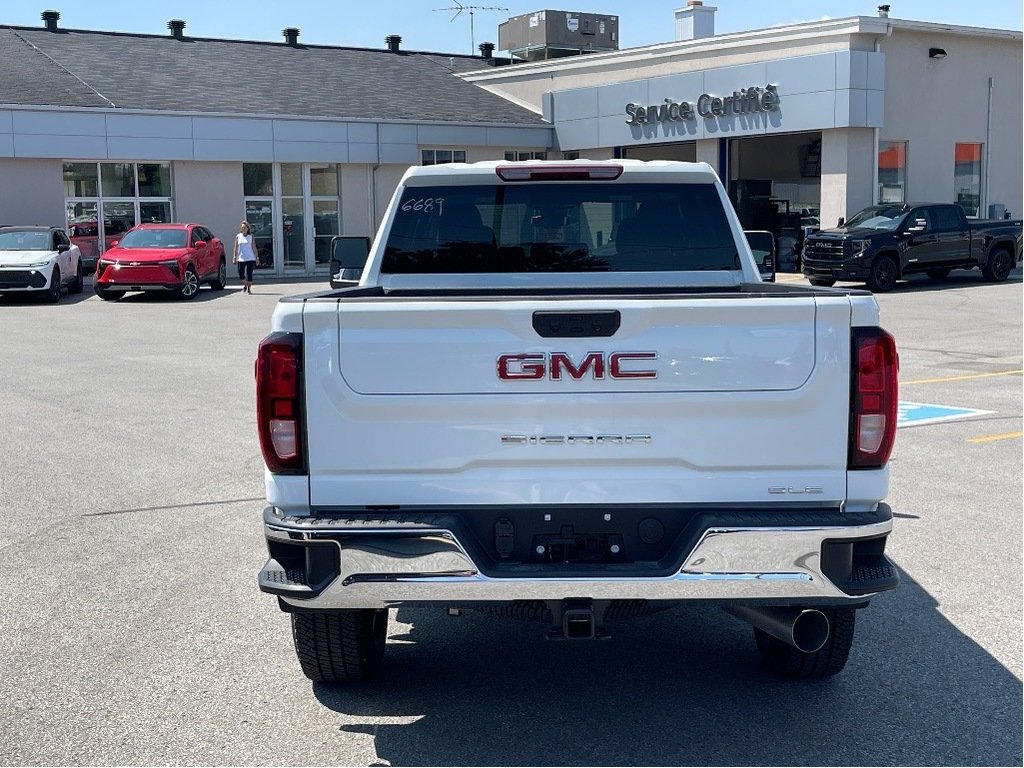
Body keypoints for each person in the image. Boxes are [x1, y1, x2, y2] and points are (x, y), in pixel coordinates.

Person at [233, 221, 257, 294]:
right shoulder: (238, 236)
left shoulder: (251, 236)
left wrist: (257, 257)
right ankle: (245, 284)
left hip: (250, 258)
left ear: (247, 228)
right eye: (242, 227)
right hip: (241, 258)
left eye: (245, 227)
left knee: (249, 274)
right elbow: (235, 248)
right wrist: (234, 257)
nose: (243, 229)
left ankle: (249, 289)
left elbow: (254, 247)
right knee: (241, 274)